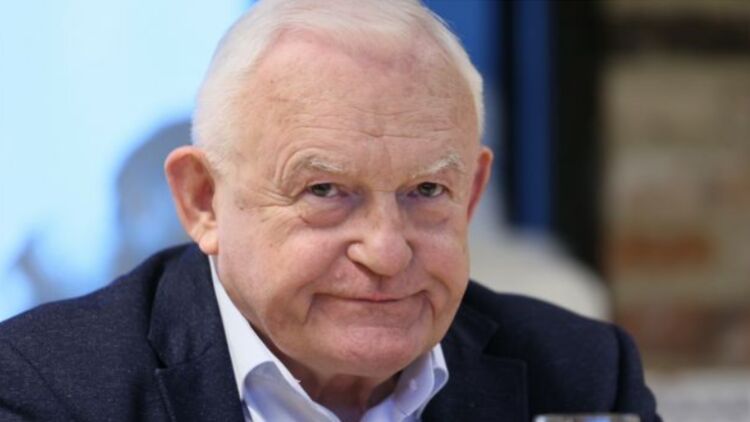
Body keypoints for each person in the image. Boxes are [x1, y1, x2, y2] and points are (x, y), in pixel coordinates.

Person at [0, 0, 660, 421]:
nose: (387, 252)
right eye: (324, 191)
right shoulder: (48, 389)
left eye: (427, 191)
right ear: (203, 201)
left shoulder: (581, 374)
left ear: (472, 194)